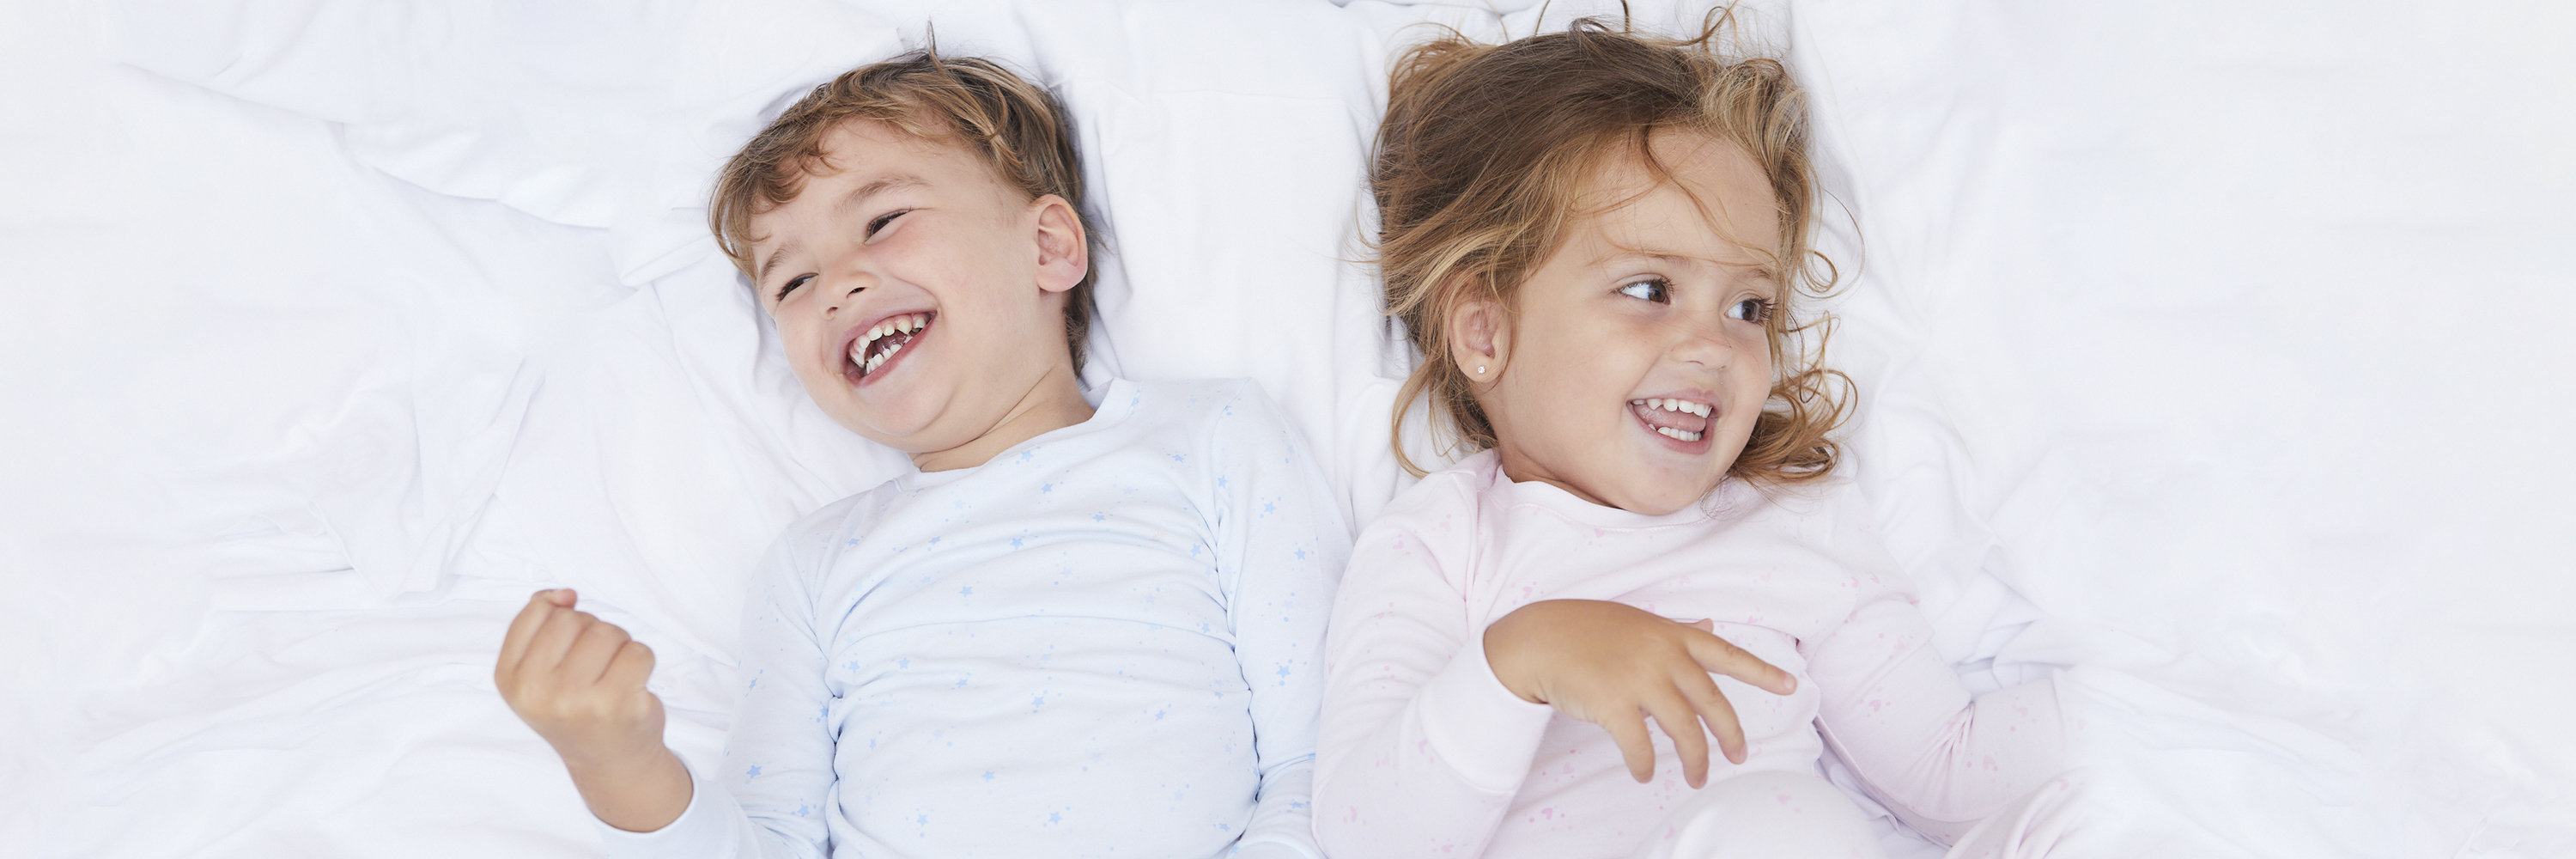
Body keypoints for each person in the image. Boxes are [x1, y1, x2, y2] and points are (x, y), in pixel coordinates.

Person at [492, 49, 1345, 859]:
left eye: (882, 220)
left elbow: (1322, 761)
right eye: (790, 282)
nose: (837, 285)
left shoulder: (1211, 438)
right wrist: (618, 764)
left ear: (1048, 247)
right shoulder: (812, 566)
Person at [1313, 18, 2075, 859]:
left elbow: (1948, 766)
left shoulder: (1795, 524)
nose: (1716, 345)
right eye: (1649, 288)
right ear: (1485, 331)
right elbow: (1362, 835)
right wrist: (1521, 659)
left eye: (1749, 307)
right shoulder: (1440, 544)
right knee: (1783, 822)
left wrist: (2169, 690)